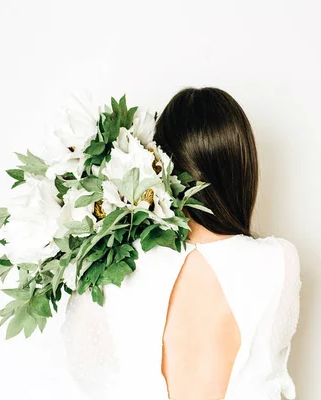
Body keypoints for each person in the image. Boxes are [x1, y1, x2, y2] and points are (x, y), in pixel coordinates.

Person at [61, 87, 301, 400]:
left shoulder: (116, 266)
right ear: (242, 169)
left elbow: (88, 370)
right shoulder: (278, 261)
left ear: (159, 166)